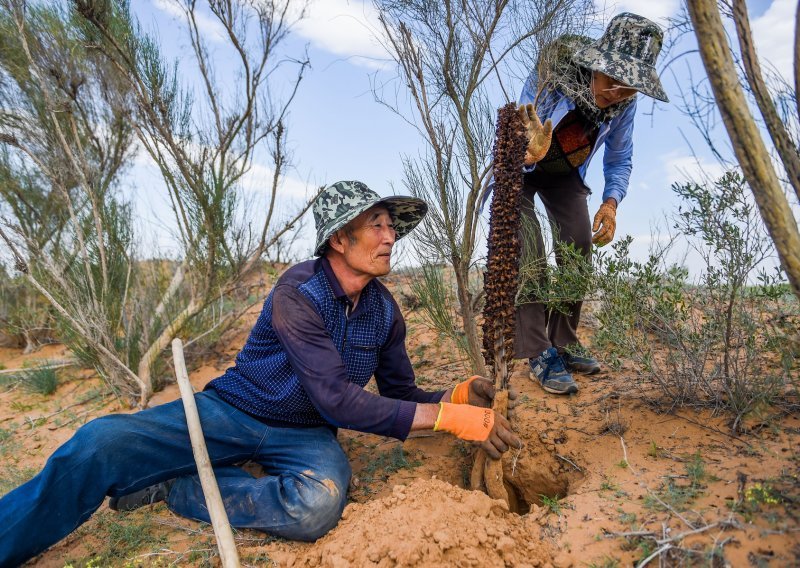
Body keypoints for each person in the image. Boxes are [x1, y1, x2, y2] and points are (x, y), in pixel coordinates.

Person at [0, 181, 521, 567]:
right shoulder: (297, 293)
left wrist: (458, 395)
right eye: (378, 225)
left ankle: (178, 489)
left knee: (316, 505)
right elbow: (338, 398)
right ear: (339, 239)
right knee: (100, 442)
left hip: (305, 435)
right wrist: (451, 420)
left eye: (393, 227)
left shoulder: (385, 311)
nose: (391, 237)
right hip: (233, 411)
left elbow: (402, 393)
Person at [512, 13, 669, 395]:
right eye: (612, 79)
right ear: (595, 64)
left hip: (565, 174)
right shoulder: (554, 74)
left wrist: (611, 203)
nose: (617, 91)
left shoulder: (622, 106)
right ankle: (538, 351)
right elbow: (524, 120)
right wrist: (525, 149)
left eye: (629, 87)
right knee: (527, 246)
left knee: (578, 242)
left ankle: (563, 341)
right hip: (522, 168)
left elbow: (619, 157)